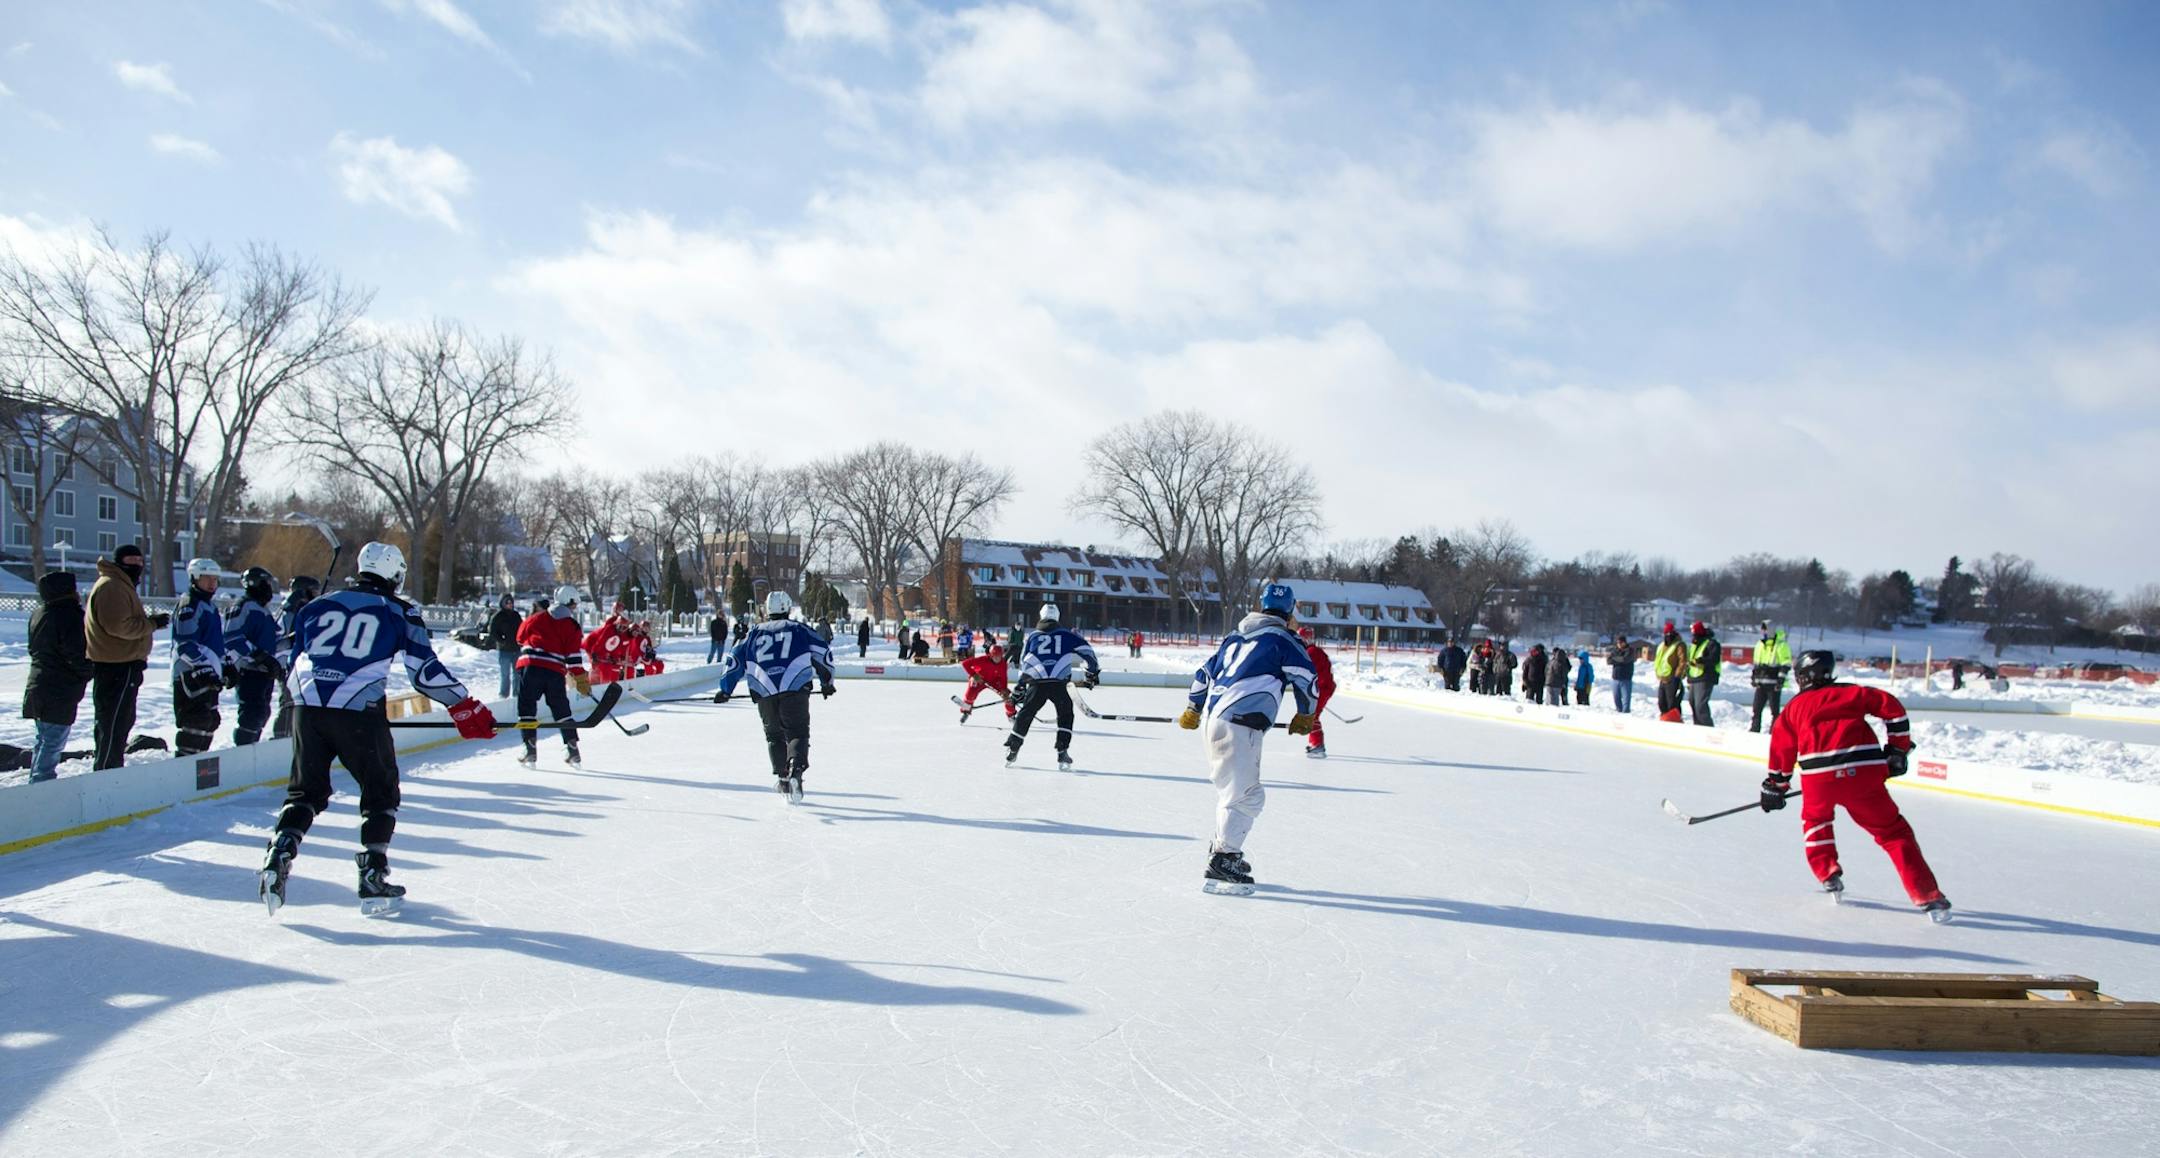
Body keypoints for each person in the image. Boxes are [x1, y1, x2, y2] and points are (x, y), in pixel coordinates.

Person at [259, 542, 497, 916]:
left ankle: (279, 854)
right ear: (395, 574)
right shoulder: (398, 610)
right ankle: (372, 874)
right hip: (358, 710)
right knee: (381, 793)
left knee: (305, 792)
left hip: (305, 709)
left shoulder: (316, 605)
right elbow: (424, 671)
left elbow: (287, 655)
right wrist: (463, 704)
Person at [1762, 649, 1950, 921]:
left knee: (1816, 820)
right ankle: (1929, 896)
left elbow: (1782, 751)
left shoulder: (1793, 709)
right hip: (1865, 773)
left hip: (1819, 778)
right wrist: (1897, 750)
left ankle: (1828, 873)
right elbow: (1894, 711)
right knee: (1894, 832)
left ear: (1802, 677)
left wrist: (1775, 786)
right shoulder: (1852, 693)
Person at [1179, 582, 1318, 895]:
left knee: (1232, 792)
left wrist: (1193, 708)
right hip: (1241, 724)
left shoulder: (1235, 637)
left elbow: (1203, 675)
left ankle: (1222, 851)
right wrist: (1305, 714)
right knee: (1247, 796)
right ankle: (1224, 859)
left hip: (1214, 721)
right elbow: (1308, 679)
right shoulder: (1284, 639)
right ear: (1291, 611)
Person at [715, 591, 835, 803]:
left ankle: (783, 778)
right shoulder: (799, 629)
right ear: (787, 608)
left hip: (764, 690)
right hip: (795, 687)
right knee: (797, 732)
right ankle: (796, 771)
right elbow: (822, 653)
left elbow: (734, 660)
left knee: (774, 736)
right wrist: (827, 683)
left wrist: (725, 690)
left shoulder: (752, 633)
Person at [1004, 602, 1100, 770]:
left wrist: (1020, 686)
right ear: (1058, 617)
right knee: (1065, 715)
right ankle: (1062, 751)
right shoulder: (1067, 635)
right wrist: (1091, 673)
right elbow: (1088, 652)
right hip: (1058, 683)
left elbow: (1024, 662)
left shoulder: (1033, 637)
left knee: (1026, 713)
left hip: (1036, 683)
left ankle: (1013, 747)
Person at [24, 571, 94, 782]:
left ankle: (36, 781)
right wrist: (90, 672)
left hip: (37, 684)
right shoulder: (70, 616)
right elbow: (75, 654)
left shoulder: (39, 613)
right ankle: (42, 785)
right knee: (53, 742)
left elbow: (33, 649)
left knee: (43, 739)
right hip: (59, 689)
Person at [516, 586, 592, 768]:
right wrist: (581, 680)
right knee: (561, 708)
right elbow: (573, 659)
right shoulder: (572, 625)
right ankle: (572, 747)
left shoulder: (535, 618)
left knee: (526, 707)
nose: (575, 608)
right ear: (570, 603)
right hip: (554, 671)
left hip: (531, 667)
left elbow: (519, 638)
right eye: (574, 604)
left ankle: (529, 747)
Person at [171, 558, 227, 757]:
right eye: (206, 579)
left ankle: (199, 769)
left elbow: (215, 643)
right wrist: (204, 669)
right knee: (196, 720)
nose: (212, 583)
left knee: (211, 720)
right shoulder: (189, 605)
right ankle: (184, 766)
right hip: (190, 673)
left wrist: (225, 665)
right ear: (194, 578)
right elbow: (185, 644)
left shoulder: (210, 607)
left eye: (215, 579)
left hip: (209, 672)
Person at [223, 567, 282, 746]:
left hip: (264, 672)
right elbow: (232, 637)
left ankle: (252, 748)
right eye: (266, 584)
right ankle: (243, 749)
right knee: (251, 714)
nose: (269, 589)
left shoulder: (262, 609)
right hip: (250, 671)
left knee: (262, 713)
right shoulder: (243, 606)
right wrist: (259, 656)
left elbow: (271, 639)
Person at [271, 575, 320, 740]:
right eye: (313, 591)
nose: (316, 594)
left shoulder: (293, 608)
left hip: (293, 664)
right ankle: (282, 738)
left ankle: (291, 736)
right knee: (289, 703)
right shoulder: (293, 610)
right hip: (288, 665)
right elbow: (285, 639)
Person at [1298, 625, 1335, 758]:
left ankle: (1318, 746)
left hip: (1322, 688)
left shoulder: (1311, 652)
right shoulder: (1313, 651)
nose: (1300, 641)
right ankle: (1315, 743)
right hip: (1322, 688)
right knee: (1312, 715)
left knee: (1312, 715)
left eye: (1302, 638)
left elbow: (1305, 672)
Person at [1749, 620, 1793, 733]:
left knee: (1774, 710)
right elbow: (1756, 663)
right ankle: (1754, 730)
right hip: (1761, 682)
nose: (1763, 631)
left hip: (1773, 683)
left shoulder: (1781, 645)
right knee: (1756, 709)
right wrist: (1754, 677)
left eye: (1765, 628)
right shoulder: (1759, 645)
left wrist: (1780, 679)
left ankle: (1774, 732)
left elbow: (1786, 664)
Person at [958, 642, 1015, 723]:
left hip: (994, 682)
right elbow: (965, 663)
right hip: (979, 680)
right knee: (970, 694)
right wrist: (974, 675)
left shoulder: (1003, 664)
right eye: (995, 656)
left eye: (999, 656)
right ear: (991, 655)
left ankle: (1011, 715)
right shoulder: (983, 659)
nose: (997, 659)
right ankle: (966, 711)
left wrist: (1004, 689)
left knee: (1007, 697)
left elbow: (1003, 678)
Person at [583, 603, 633, 684]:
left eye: (624, 628)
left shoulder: (620, 628)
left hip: (604, 645)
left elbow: (615, 644)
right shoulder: (611, 624)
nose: (622, 629)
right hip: (592, 643)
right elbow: (602, 641)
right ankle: (591, 683)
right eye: (618, 609)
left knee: (607, 666)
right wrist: (595, 654)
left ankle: (603, 683)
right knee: (598, 665)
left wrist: (614, 657)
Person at [1686, 620, 1721, 727]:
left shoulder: (1711, 644)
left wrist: (1700, 661)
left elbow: (1713, 659)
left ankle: (1708, 728)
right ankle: (1698, 727)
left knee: (1700, 706)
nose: (1693, 636)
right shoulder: (1693, 645)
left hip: (1706, 677)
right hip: (1694, 678)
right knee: (1693, 704)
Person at [489, 593, 523, 697]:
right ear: (502, 603)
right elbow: (492, 631)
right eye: (507, 602)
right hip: (504, 650)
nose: (510, 604)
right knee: (505, 674)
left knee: (517, 674)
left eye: (511, 602)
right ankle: (503, 694)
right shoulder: (498, 616)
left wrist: (521, 642)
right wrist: (501, 640)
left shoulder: (516, 615)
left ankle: (516, 694)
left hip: (516, 650)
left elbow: (522, 629)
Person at [1653, 621, 1687, 722]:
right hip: (1662, 678)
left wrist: (1677, 676)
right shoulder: (1662, 646)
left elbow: (1683, 661)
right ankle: (1665, 720)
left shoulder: (1679, 645)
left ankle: (1675, 721)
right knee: (1661, 703)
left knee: (1672, 703)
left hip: (1672, 679)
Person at [1607, 634, 1636, 713]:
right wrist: (1618, 659)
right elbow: (1609, 660)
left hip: (1625, 679)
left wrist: (1615, 659)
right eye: (1617, 643)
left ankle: (1625, 716)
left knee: (1626, 701)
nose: (1619, 644)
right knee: (1616, 700)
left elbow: (1625, 659)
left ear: (1624, 642)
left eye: (1620, 642)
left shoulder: (1630, 650)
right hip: (1615, 679)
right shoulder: (1615, 650)